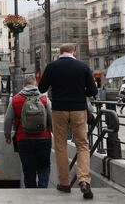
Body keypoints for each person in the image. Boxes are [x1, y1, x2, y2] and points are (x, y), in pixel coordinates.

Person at [38, 43, 97, 199]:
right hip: (78, 109)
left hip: (59, 109)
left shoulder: (52, 67)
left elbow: (42, 88)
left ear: (60, 52)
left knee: (60, 145)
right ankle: (84, 180)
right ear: (74, 52)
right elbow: (93, 91)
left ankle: (64, 183)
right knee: (82, 144)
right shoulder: (83, 67)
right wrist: (79, 90)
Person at [4, 76, 52, 188]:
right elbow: (51, 118)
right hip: (44, 138)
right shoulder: (44, 99)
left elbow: (8, 120)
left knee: (28, 168)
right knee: (44, 166)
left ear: (24, 85)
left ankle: (31, 194)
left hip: (23, 138)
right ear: (35, 85)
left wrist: (7, 135)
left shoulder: (15, 100)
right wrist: (51, 131)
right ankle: (43, 189)